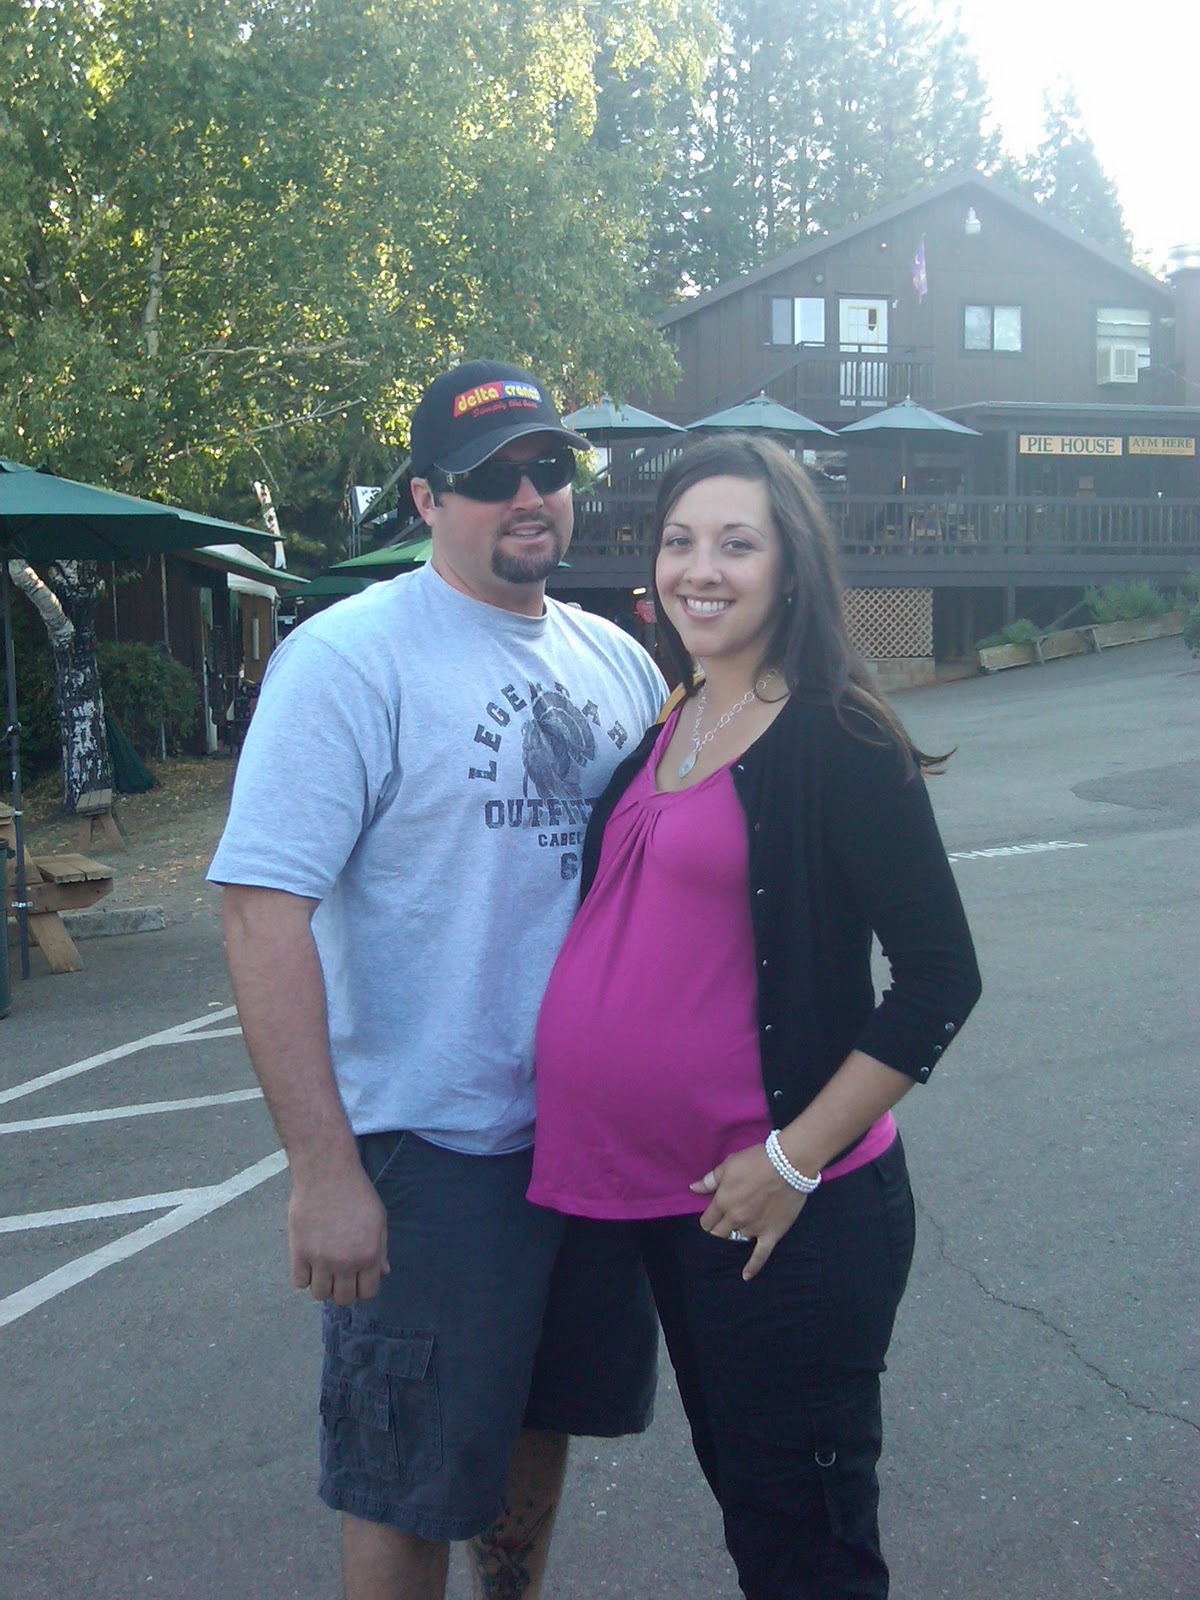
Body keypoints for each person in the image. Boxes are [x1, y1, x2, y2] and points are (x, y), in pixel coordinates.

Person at [209, 358, 665, 1600]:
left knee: (538, 1417)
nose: (527, 495)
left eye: (547, 466)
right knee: (403, 1476)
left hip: (592, 1140)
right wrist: (324, 1170)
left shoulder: (617, 660)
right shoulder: (349, 658)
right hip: (433, 1149)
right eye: (487, 477)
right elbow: (261, 913)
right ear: (426, 499)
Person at [529, 434, 982, 1598]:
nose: (702, 568)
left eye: (738, 543)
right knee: (761, 1515)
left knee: (808, 1548)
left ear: (790, 569)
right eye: (680, 541)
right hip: (680, 1204)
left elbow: (940, 979)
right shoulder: (670, 724)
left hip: (787, 1212)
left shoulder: (836, 733)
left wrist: (792, 1158)